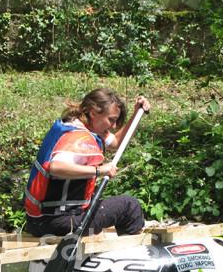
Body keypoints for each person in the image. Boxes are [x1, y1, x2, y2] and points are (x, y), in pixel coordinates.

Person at [23, 88, 151, 238]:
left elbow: (116, 142)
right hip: (60, 223)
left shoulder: (78, 125)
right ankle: (131, 253)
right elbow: (56, 167)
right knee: (129, 205)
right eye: (111, 120)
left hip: (39, 221)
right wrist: (99, 171)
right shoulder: (79, 138)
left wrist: (136, 114)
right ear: (93, 112)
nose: (114, 126)